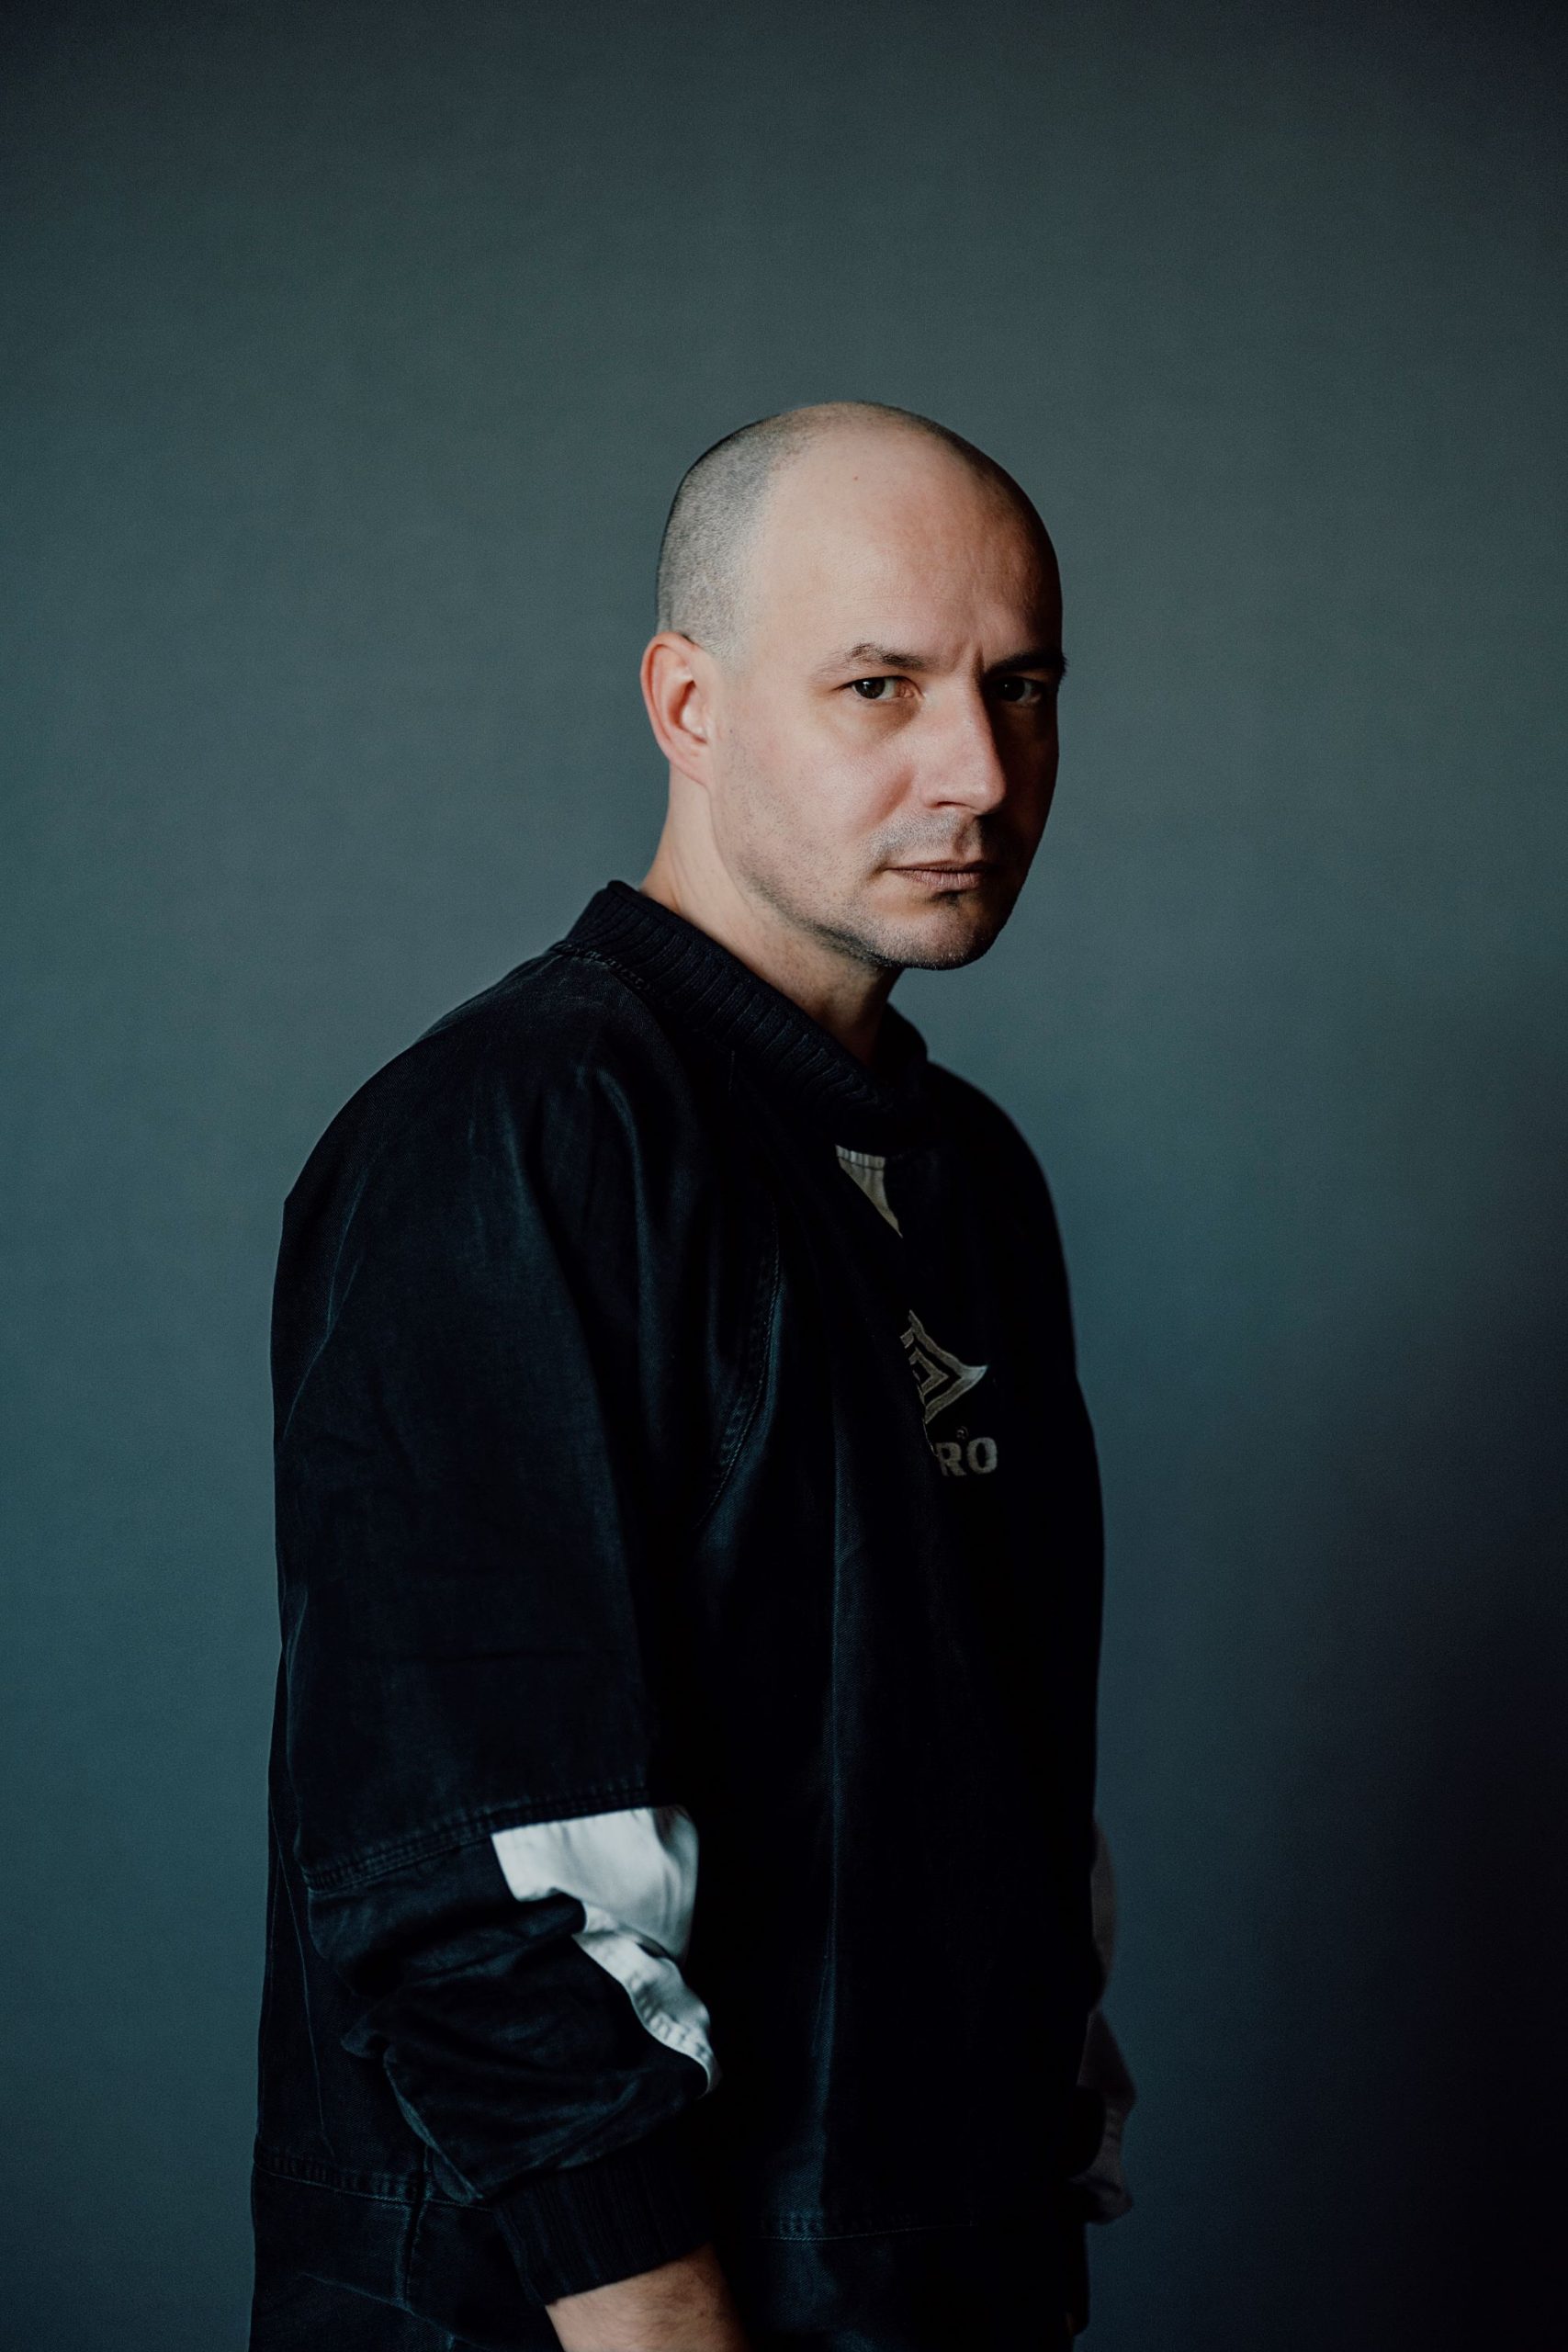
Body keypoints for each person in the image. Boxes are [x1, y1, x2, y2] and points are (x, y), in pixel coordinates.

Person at [249, 400, 1136, 2352]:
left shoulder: (969, 1176)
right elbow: (468, 1877)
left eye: (1020, 687)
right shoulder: (516, 1134)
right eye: (878, 687)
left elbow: (975, 1782)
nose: (977, 772)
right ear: (689, 704)